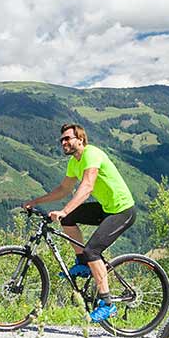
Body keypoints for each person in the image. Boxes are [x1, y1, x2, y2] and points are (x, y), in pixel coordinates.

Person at [21, 123, 137, 323]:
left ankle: (107, 304)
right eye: (62, 140)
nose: (63, 142)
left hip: (123, 210)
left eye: (68, 138)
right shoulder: (73, 163)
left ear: (80, 139)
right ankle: (82, 264)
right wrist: (36, 201)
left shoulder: (91, 154)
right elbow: (63, 189)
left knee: (92, 250)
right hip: (106, 208)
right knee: (69, 220)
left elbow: (88, 186)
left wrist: (64, 209)